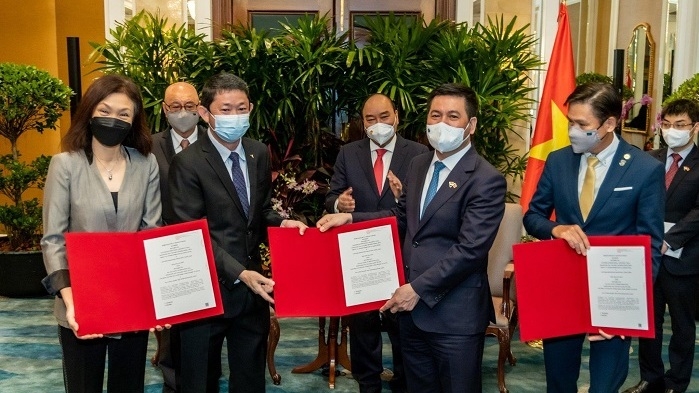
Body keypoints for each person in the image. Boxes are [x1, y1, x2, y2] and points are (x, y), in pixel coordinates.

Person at [317, 83, 507, 392]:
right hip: (412, 315)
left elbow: (470, 249)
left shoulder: (486, 179)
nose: (441, 124)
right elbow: (399, 217)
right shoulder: (419, 165)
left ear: (471, 125)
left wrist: (416, 288)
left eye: (453, 116)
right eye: (435, 115)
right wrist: (350, 217)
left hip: (453, 315)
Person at [168, 72, 307, 393]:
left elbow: (259, 211)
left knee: (249, 380)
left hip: (251, 294)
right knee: (200, 382)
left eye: (241, 109)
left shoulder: (258, 153)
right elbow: (189, 234)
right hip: (205, 293)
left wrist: (283, 223)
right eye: (225, 110)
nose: (235, 117)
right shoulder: (187, 163)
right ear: (205, 114)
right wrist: (238, 272)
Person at [523, 82, 665, 393]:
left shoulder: (644, 169)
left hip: (615, 291)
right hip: (563, 288)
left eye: (582, 124)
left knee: (605, 385)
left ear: (610, 123)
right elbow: (532, 217)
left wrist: (627, 309)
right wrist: (556, 228)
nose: (573, 130)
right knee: (558, 383)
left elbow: (651, 245)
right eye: (570, 121)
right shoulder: (558, 161)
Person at [41, 74, 162, 392]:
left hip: (130, 300)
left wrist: (159, 297)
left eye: (124, 114)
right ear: (89, 112)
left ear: (134, 120)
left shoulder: (146, 164)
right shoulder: (65, 165)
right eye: (105, 110)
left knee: (129, 384)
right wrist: (71, 301)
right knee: (84, 385)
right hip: (80, 301)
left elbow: (152, 231)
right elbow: (53, 239)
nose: (114, 119)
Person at [325, 93, 428, 393]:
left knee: (403, 330)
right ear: (362, 123)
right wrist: (338, 204)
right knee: (363, 330)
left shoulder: (419, 154)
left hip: (403, 254)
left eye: (384, 117)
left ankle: (402, 384)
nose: (378, 124)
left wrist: (402, 199)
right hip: (362, 255)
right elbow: (332, 195)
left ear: (396, 115)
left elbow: (420, 208)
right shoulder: (349, 153)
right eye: (371, 119)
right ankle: (367, 385)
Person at [624, 99, 699, 393]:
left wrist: (669, 240)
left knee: (681, 325)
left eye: (679, 125)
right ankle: (650, 377)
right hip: (648, 256)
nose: (672, 131)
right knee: (648, 322)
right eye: (666, 125)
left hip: (684, 257)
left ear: (694, 127)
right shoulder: (649, 160)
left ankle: (676, 382)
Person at [152, 81, 207, 392]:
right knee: (172, 322)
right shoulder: (148, 146)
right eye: (176, 107)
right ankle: (173, 383)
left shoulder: (214, 143)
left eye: (190, 106)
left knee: (203, 323)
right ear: (164, 109)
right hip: (164, 246)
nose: (183, 113)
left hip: (206, 244)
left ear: (200, 109)